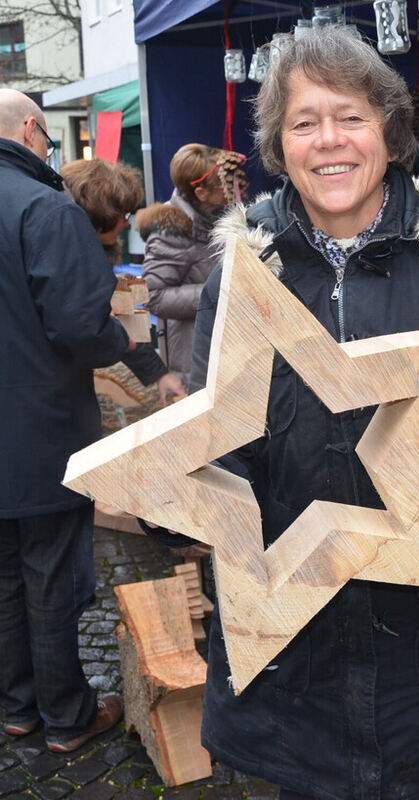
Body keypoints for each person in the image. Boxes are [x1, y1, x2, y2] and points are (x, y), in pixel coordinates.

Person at [152, 27, 419, 799]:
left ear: (389, 133)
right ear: (279, 144)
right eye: (303, 123)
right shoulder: (244, 278)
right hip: (284, 671)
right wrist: (182, 495)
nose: (327, 141)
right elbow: (217, 439)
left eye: (350, 117)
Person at [0, 88, 127, 752]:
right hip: (39, 431)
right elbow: (81, 323)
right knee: (49, 576)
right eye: (49, 140)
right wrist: (131, 348)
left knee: (3, 578)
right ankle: (66, 718)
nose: (52, 151)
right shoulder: (45, 207)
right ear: (30, 130)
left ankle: (19, 709)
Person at [60, 157, 186, 404]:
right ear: (100, 215)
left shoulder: (86, 253)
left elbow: (120, 319)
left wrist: (159, 374)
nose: (126, 224)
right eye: (123, 214)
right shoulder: (71, 261)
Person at [137, 143, 245, 386]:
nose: (232, 190)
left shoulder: (217, 218)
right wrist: (218, 292)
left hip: (227, 354)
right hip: (194, 361)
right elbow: (153, 295)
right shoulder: (171, 231)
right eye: (224, 187)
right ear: (201, 194)